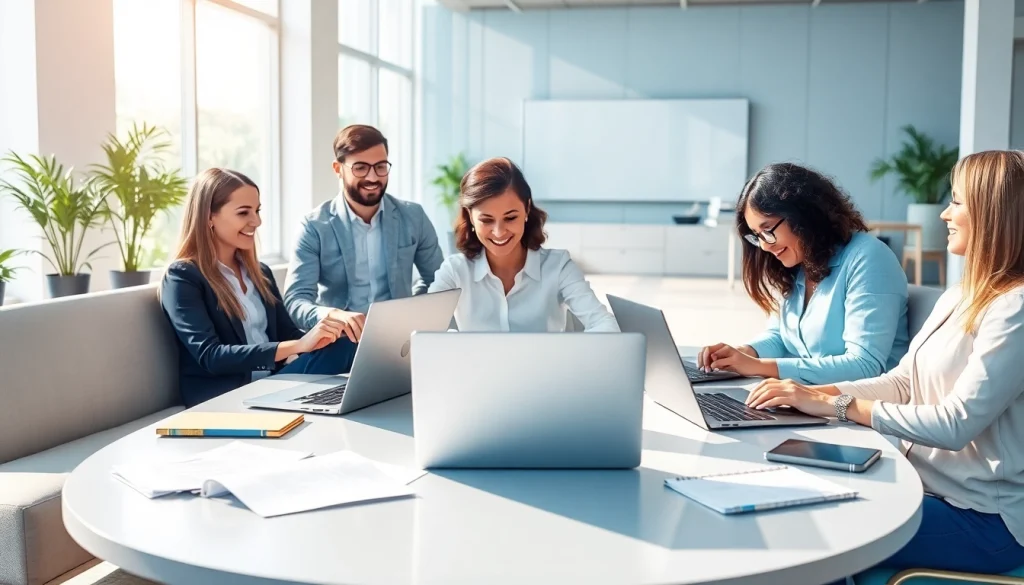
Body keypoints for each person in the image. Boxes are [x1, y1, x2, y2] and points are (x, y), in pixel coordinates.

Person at [747, 150, 1024, 581]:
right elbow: (901, 381)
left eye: (958, 201)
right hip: (924, 489)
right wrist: (815, 397)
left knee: (816, 531)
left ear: (994, 212)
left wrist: (837, 407)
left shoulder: (1016, 309)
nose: (946, 214)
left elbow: (956, 424)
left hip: (985, 519)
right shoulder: (960, 295)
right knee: (795, 498)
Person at [697, 162, 910, 384]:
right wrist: (744, 353)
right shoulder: (797, 265)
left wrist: (757, 366)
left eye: (767, 230)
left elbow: (864, 365)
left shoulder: (869, 257)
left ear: (804, 214)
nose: (764, 246)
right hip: (811, 399)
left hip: (859, 408)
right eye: (756, 235)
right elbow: (780, 337)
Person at [160, 168, 355, 408]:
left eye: (257, 211)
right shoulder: (183, 277)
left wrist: (324, 335)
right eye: (244, 213)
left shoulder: (260, 273)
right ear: (209, 217)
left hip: (271, 382)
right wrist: (299, 346)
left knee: (350, 344)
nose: (257, 221)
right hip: (225, 396)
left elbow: (289, 335)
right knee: (349, 351)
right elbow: (211, 356)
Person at [284, 124, 443, 341]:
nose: (373, 177)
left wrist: (410, 311)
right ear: (338, 169)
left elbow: (439, 280)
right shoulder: (313, 227)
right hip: (338, 341)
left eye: (380, 167)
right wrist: (331, 316)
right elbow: (296, 300)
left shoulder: (413, 216)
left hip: (399, 338)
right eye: (360, 168)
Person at [428, 157, 618, 332]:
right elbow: (423, 332)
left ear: (527, 209)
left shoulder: (559, 266)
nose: (499, 231)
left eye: (510, 218)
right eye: (487, 220)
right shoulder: (455, 271)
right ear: (470, 216)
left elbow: (604, 323)